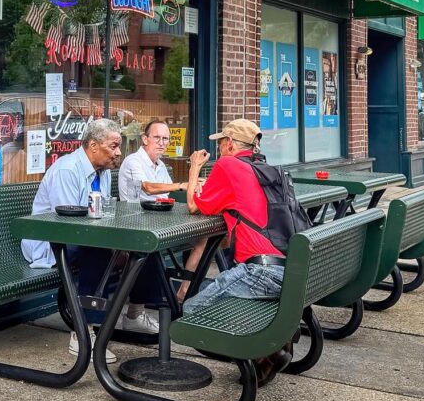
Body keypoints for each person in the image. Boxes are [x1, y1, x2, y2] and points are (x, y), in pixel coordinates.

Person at [22, 118, 161, 361]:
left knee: (145, 246)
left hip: (83, 236)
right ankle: (83, 332)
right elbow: (69, 227)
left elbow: (100, 216)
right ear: (93, 146)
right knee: (97, 252)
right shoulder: (67, 171)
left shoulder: (102, 171)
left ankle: (134, 314)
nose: (119, 153)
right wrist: (114, 246)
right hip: (50, 243)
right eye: (114, 146)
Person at [180, 118, 292, 386]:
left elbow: (195, 207)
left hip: (260, 272)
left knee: (191, 312)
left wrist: (195, 167)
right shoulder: (266, 170)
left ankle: (263, 351)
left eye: (221, 143)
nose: (219, 148)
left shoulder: (228, 164)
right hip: (290, 270)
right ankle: (268, 350)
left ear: (229, 144)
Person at [118, 119, 189, 202]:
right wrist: (181, 185)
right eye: (157, 137)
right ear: (145, 139)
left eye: (165, 138)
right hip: (136, 212)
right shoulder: (133, 161)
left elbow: (169, 189)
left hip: (159, 210)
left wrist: (195, 183)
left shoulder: (160, 164)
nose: (161, 143)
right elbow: (148, 188)